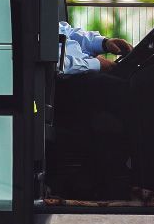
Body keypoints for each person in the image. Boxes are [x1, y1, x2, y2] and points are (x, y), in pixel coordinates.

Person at [51, 21, 136, 200]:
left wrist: (103, 43)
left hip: (81, 74)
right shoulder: (30, 16)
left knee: (134, 78)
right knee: (126, 91)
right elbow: (58, 64)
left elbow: (68, 34)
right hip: (60, 86)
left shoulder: (43, 11)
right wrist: (96, 64)